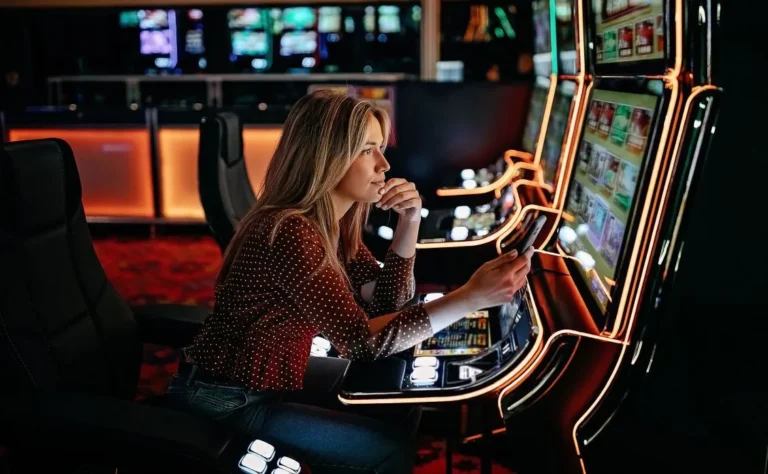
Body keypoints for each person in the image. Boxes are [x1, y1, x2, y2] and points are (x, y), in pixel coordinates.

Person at [165, 89, 534, 474]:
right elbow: (361, 341)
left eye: (381, 148)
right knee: (387, 451)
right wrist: (471, 297)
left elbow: (388, 303)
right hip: (226, 399)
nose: (384, 164)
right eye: (367, 150)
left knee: (397, 399)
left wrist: (409, 223)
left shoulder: (332, 223)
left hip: (271, 378)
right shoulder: (291, 232)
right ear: (327, 158)